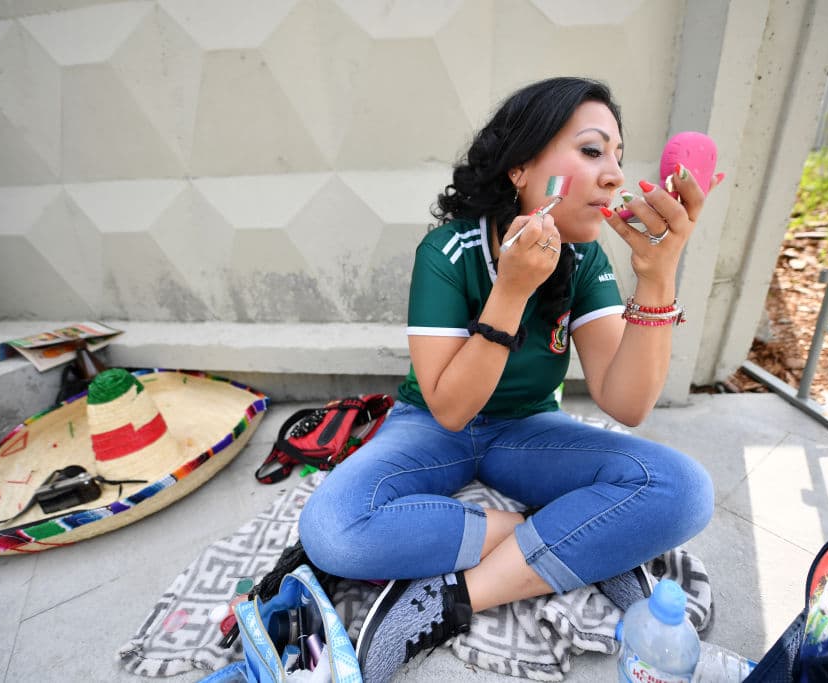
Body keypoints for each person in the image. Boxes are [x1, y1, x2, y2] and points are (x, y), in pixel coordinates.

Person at [298, 76, 717, 683]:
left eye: (619, 158)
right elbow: (450, 409)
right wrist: (512, 289)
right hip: (432, 428)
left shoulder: (586, 259)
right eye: (593, 151)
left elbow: (626, 404)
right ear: (521, 169)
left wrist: (657, 276)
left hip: (527, 430)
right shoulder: (448, 252)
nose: (615, 177)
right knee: (334, 530)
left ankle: (448, 601)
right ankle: (565, 544)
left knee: (683, 489)